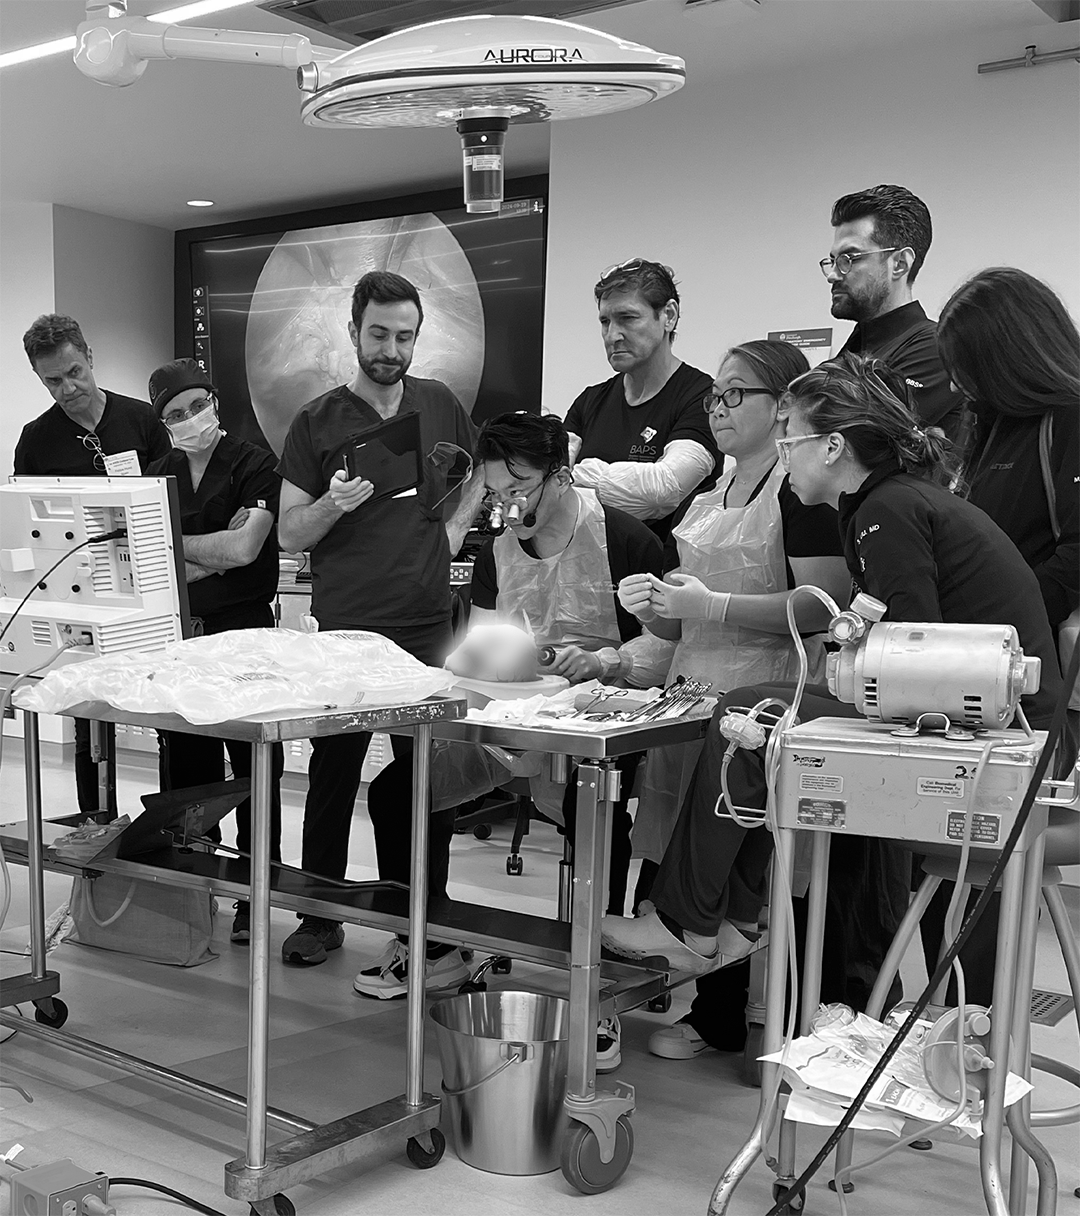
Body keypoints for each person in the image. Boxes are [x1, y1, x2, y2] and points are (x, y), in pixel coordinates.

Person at [600, 355, 1061, 1013]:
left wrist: (834, 657)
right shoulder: (882, 507)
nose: (784, 457)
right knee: (764, 720)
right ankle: (726, 918)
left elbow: (912, 654)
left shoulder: (889, 511)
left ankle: (687, 924)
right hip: (989, 721)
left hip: (1001, 743)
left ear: (833, 446)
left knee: (752, 711)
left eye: (789, 439)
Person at [356, 414, 664, 1071]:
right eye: (494, 494)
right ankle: (432, 944)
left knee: (595, 816)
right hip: (515, 720)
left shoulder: (626, 539)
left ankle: (598, 986)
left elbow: (663, 648)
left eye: (518, 486)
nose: (507, 505)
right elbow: (493, 648)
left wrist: (609, 664)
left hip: (602, 727)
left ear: (561, 475)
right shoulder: (497, 548)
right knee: (397, 793)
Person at [616, 340, 849, 1062]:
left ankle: (747, 1019)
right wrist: (654, 607)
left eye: (733, 394)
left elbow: (826, 602)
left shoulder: (799, 492)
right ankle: (693, 1002)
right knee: (684, 845)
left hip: (766, 691)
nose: (716, 409)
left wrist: (712, 604)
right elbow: (685, 615)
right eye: (712, 396)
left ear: (782, 406)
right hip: (694, 689)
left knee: (751, 855)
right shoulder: (709, 492)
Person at [275, 270, 483, 967]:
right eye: (379, 334)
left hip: (427, 623)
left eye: (404, 336)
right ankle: (319, 916)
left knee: (427, 779)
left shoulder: (440, 404)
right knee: (333, 776)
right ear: (354, 331)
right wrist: (333, 503)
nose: (391, 349)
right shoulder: (317, 421)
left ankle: (420, 918)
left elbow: (477, 476)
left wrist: (452, 532)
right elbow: (289, 532)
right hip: (347, 630)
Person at [923, 267, 1080, 1002]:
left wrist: (1005, 620)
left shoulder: (1069, 421)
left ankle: (971, 1035)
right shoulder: (984, 431)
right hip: (978, 679)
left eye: (971, 367)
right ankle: (948, 1025)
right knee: (946, 856)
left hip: (1034, 685)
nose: (961, 384)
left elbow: (1076, 553)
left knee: (978, 853)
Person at [145, 358, 285, 944]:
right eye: (174, 414)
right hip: (184, 640)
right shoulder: (158, 474)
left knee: (254, 763)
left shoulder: (256, 464)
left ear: (215, 403)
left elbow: (246, 549)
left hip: (244, 634)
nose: (188, 419)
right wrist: (209, 551)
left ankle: (258, 890)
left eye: (195, 406)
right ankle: (193, 884)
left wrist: (185, 554)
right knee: (188, 770)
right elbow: (149, 562)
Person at [14, 314, 171, 815]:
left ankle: (179, 829)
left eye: (74, 372)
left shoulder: (142, 421)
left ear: (89, 356)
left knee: (168, 715)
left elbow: (174, 501)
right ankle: (93, 825)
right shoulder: (37, 439)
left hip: (150, 591)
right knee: (89, 718)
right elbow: (25, 521)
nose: (67, 388)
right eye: (52, 381)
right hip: (82, 598)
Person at [565, 258, 720, 539]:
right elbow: (550, 488)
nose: (613, 335)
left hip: (667, 575)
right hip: (595, 572)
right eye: (605, 321)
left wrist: (575, 477)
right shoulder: (588, 402)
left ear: (668, 316)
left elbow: (664, 491)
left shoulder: (705, 397)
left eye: (627, 318)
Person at [825, 185, 964, 444]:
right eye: (832, 260)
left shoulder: (937, 349)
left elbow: (859, 438)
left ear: (900, 264)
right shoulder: (858, 346)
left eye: (849, 258)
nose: (833, 274)